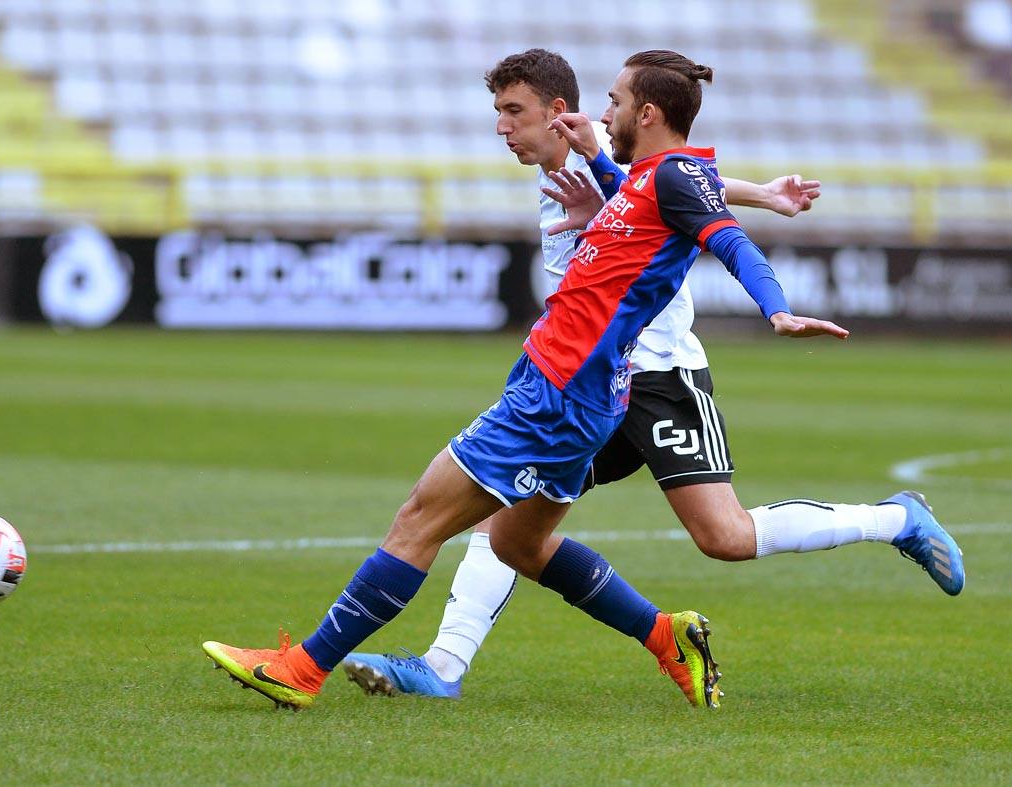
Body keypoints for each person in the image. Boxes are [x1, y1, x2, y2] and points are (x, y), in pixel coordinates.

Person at [203, 48, 865, 712]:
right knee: (515, 540)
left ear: (645, 111)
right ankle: (666, 636)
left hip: (562, 389)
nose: (597, 115)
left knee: (418, 518)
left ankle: (303, 667)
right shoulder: (628, 173)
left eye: (610, 102)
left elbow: (724, 234)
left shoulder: (653, 174)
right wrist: (614, 183)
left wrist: (774, 305)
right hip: (585, 388)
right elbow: (658, 190)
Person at [339, 49, 966, 702]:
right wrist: (763, 194)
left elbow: (688, 194)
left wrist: (771, 286)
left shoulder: (607, 161)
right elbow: (665, 190)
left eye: (511, 112)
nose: (501, 127)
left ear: (559, 114)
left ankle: (895, 519)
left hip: (660, 377)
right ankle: (444, 664)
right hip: (584, 387)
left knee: (723, 537)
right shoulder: (585, 168)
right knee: (503, 522)